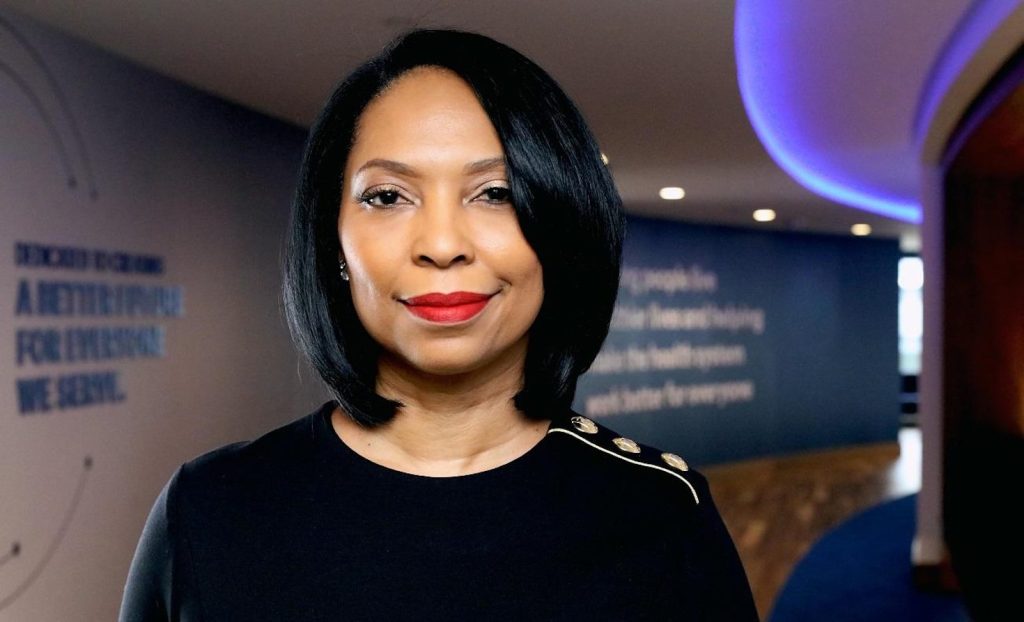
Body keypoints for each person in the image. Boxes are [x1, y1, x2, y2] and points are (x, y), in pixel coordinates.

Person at [119, 29, 758, 621]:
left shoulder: (661, 515)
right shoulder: (210, 508)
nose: (443, 245)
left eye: (495, 193)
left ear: (562, 228)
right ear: (333, 240)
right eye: (387, 196)